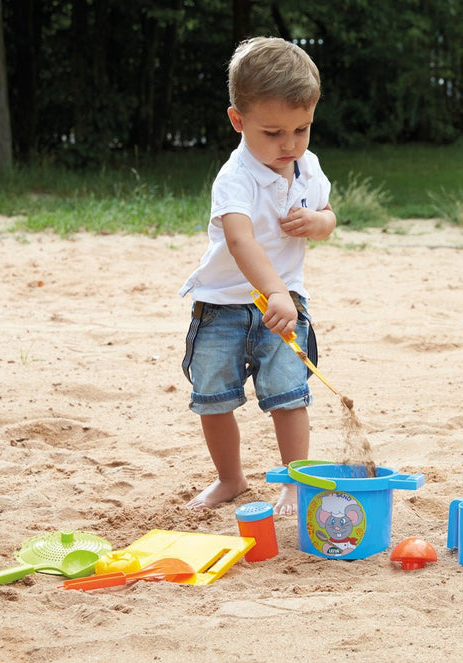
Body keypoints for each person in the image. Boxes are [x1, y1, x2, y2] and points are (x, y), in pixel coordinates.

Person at [178, 37, 336, 514]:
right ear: (238, 121)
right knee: (214, 397)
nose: (289, 144)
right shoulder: (235, 178)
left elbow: (329, 214)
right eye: (273, 133)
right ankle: (230, 479)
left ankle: (293, 481)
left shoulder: (306, 168)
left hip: (286, 307)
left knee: (290, 394)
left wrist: (319, 223)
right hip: (223, 306)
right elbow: (241, 240)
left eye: (302, 129)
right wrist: (274, 290)